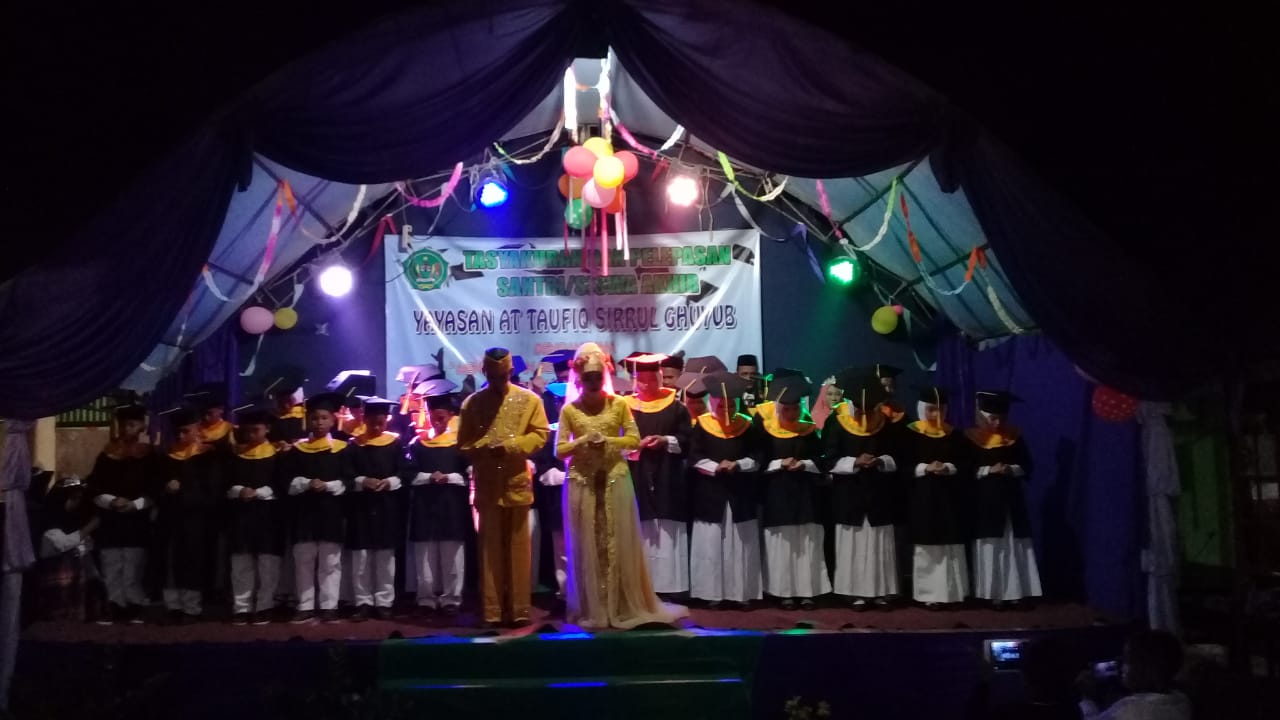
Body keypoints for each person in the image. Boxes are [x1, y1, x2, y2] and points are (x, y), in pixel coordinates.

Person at [555, 343, 687, 628]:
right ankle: (593, 605)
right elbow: (560, 450)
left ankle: (620, 602)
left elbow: (633, 440)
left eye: (597, 377)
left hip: (614, 476)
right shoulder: (570, 410)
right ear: (579, 379)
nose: (593, 382)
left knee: (616, 539)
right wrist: (582, 442)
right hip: (582, 481)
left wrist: (608, 442)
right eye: (588, 377)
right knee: (588, 541)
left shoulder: (618, 404)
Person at [457, 347, 550, 628]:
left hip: (517, 483)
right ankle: (492, 610)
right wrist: (485, 447)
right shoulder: (472, 404)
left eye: (503, 376)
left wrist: (512, 446)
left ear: (511, 372)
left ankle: (520, 609)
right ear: (484, 372)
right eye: (493, 376)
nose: (498, 381)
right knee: (489, 550)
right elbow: (463, 444)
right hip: (487, 485)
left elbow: (541, 434)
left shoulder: (529, 400)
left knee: (519, 549)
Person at [825, 375, 902, 609]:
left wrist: (879, 460)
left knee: (879, 543)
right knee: (853, 544)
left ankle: (880, 591)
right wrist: (855, 462)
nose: (864, 414)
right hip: (850, 493)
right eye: (860, 409)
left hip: (878, 492)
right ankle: (853, 592)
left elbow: (896, 456)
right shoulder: (836, 421)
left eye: (868, 409)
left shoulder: (884, 423)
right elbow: (828, 459)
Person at [688, 371, 762, 609]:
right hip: (710, 493)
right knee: (711, 544)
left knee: (741, 543)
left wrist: (738, 464)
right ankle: (712, 594)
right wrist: (715, 466)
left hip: (740, 492)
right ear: (713, 403)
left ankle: (741, 594)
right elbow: (694, 456)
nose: (726, 410)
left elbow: (757, 455)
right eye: (722, 405)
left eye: (731, 406)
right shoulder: (702, 425)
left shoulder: (747, 425)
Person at [623, 353, 693, 597]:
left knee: (667, 527)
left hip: (667, 474)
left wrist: (666, 440)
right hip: (636, 473)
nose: (646, 385)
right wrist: (636, 445)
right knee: (640, 527)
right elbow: (618, 440)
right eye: (641, 380)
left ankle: (671, 587)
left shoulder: (675, 406)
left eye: (651, 379)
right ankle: (641, 588)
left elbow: (687, 439)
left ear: (660, 378)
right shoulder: (625, 407)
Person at [756, 374, 829, 609]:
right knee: (782, 544)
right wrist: (780, 463)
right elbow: (759, 462)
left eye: (796, 408)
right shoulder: (767, 431)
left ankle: (807, 592)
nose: (792, 413)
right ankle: (783, 592)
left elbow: (821, 460)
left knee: (807, 543)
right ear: (779, 409)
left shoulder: (808, 430)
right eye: (787, 409)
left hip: (805, 494)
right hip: (778, 494)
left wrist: (804, 464)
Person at [967, 391, 1042, 609]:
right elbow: (966, 469)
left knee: (1013, 546)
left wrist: (1010, 468)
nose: (998, 423)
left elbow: (1027, 466)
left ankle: (1016, 592)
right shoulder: (971, 438)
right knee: (991, 546)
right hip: (986, 502)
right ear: (983, 416)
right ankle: (993, 594)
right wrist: (989, 470)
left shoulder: (1014, 437)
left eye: (1001, 418)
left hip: (1011, 500)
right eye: (993, 418)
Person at [283, 392, 353, 624]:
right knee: (304, 559)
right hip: (304, 512)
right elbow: (287, 481)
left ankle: (329, 605)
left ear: (333, 420)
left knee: (330, 562)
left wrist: (329, 485)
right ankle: (304, 605)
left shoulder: (342, 448)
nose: (319, 423)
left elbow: (349, 480)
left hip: (331, 511)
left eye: (324, 418)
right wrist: (306, 483)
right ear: (308, 421)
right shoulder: (298, 449)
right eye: (314, 418)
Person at [86, 403, 156, 625]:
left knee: (133, 564)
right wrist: (110, 500)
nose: (127, 430)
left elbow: (156, 487)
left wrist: (135, 504)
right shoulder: (107, 454)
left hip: (136, 518)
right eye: (124, 425)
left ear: (141, 426)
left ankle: (135, 605)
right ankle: (114, 604)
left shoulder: (149, 456)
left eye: (132, 425)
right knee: (111, 563)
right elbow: (94, 486)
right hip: (111, 517)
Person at [407, 391, 472, 617]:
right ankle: (426, 598)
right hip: (425, 504)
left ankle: (451, 598)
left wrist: (450, 477)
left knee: (452, 552)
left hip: (451, 504)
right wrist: (428, 477)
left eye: (442, 416)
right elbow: (408, 473)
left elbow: (470, 474)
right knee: (425, 553)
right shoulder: (418, 443)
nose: (437, 420)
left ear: (450, 416)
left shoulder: (459, 444)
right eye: (433, 416)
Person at [155, 407, 222, 623]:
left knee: (193, 560)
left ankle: (192, 607)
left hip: (196, 519)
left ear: (196, 429)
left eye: (186, 431)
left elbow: (213, 492)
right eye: (177, 432)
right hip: (169, 518)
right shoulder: (166, 457)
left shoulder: (207, 457)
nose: (181, 436)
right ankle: (172, 606)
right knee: (169, 561)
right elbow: (153, 487)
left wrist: (182, 491)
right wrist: (165, 489)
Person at [906, 387, 970, 608]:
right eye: (932, 410)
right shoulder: (911, 434)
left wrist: (948, 467)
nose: (936, 415)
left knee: (951, 545)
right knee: (927, 546)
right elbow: (903, 465)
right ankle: (929, 595)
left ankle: (953, 593)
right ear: (922, 409)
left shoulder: (954, 435)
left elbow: (966, 464)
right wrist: (925, 468)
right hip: (922, 497)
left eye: (941, 410)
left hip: (949, 496)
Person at [347, 397, 407, 621]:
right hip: (361, 506)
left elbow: (405, 471)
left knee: (385, 556)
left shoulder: (395, 444)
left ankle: (384, 601)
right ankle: (363, 601)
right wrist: (362, 481)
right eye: (372, 422)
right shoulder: (355, 445)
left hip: (387, 505)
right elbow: (346, 473)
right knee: (361, 557)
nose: (376, 427)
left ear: (387, 420)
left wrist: (390, 482)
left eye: (380, 423)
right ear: (364, 419)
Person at [225, 407, 285, 625]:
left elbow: (283, 484)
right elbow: (225, 483)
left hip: (269, 515)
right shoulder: (236, 456)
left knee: (268, 564)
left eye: (256, 430)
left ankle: (264, 605)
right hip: (241, 514)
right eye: (247, 431)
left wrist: (259, 492)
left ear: (267, 429)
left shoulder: (278, 455)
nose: (251, 435)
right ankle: (241, 607)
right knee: (241, 563)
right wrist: (239, 490)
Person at [1079, 630, 1190, 720]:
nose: (1121, 667)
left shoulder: (1129, 709)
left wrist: (1087, 700)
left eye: (1127, 660)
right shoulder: (1183, 700)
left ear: (1142, 667)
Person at [36, 475, 98, 622]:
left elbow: (87, 543)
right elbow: (62, 543)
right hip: (56, 571)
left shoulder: (73, 517)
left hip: (75, 571)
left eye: (79, 499)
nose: (77, 503)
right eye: (73, 498)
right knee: (58, 615)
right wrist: (90, 527)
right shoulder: (50, 518)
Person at [187, 382, 235, 449]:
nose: (205, 417)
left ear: (221, 409)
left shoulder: (229, 430)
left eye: (209, 413)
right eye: (202, 413)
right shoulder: (193, 430)